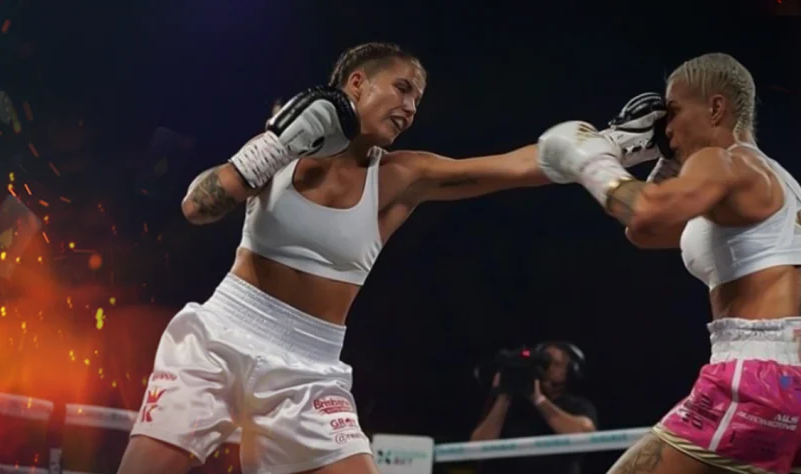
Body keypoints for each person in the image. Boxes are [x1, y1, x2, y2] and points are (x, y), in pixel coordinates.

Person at [117, 42, 649, 474]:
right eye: (402, 88)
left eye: (418, 99)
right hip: (223, 335)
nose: (412, 107)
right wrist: (274, 144)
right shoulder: (286, 140)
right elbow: (197, 205)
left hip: (312, 368)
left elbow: (511, 167)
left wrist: (609, 143)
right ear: (356, 83)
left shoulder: (400, 177)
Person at [537, 52, 801, 474]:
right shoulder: (772, 178)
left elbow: (645, 212)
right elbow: (647, 232)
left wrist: (591, 160)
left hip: (758, 377)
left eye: (674, 112)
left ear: (716, 108)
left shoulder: (722, 159)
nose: (667, 127)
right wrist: (665, 160)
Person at [471, 341, 598, 474]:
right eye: (542, 362)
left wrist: (538, 399)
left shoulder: (576, 405)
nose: (547, 368)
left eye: (555, 364)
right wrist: (503, 397)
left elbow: (585, 434)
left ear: (571, 370)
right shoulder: (513, 407)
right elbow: (476, 450)